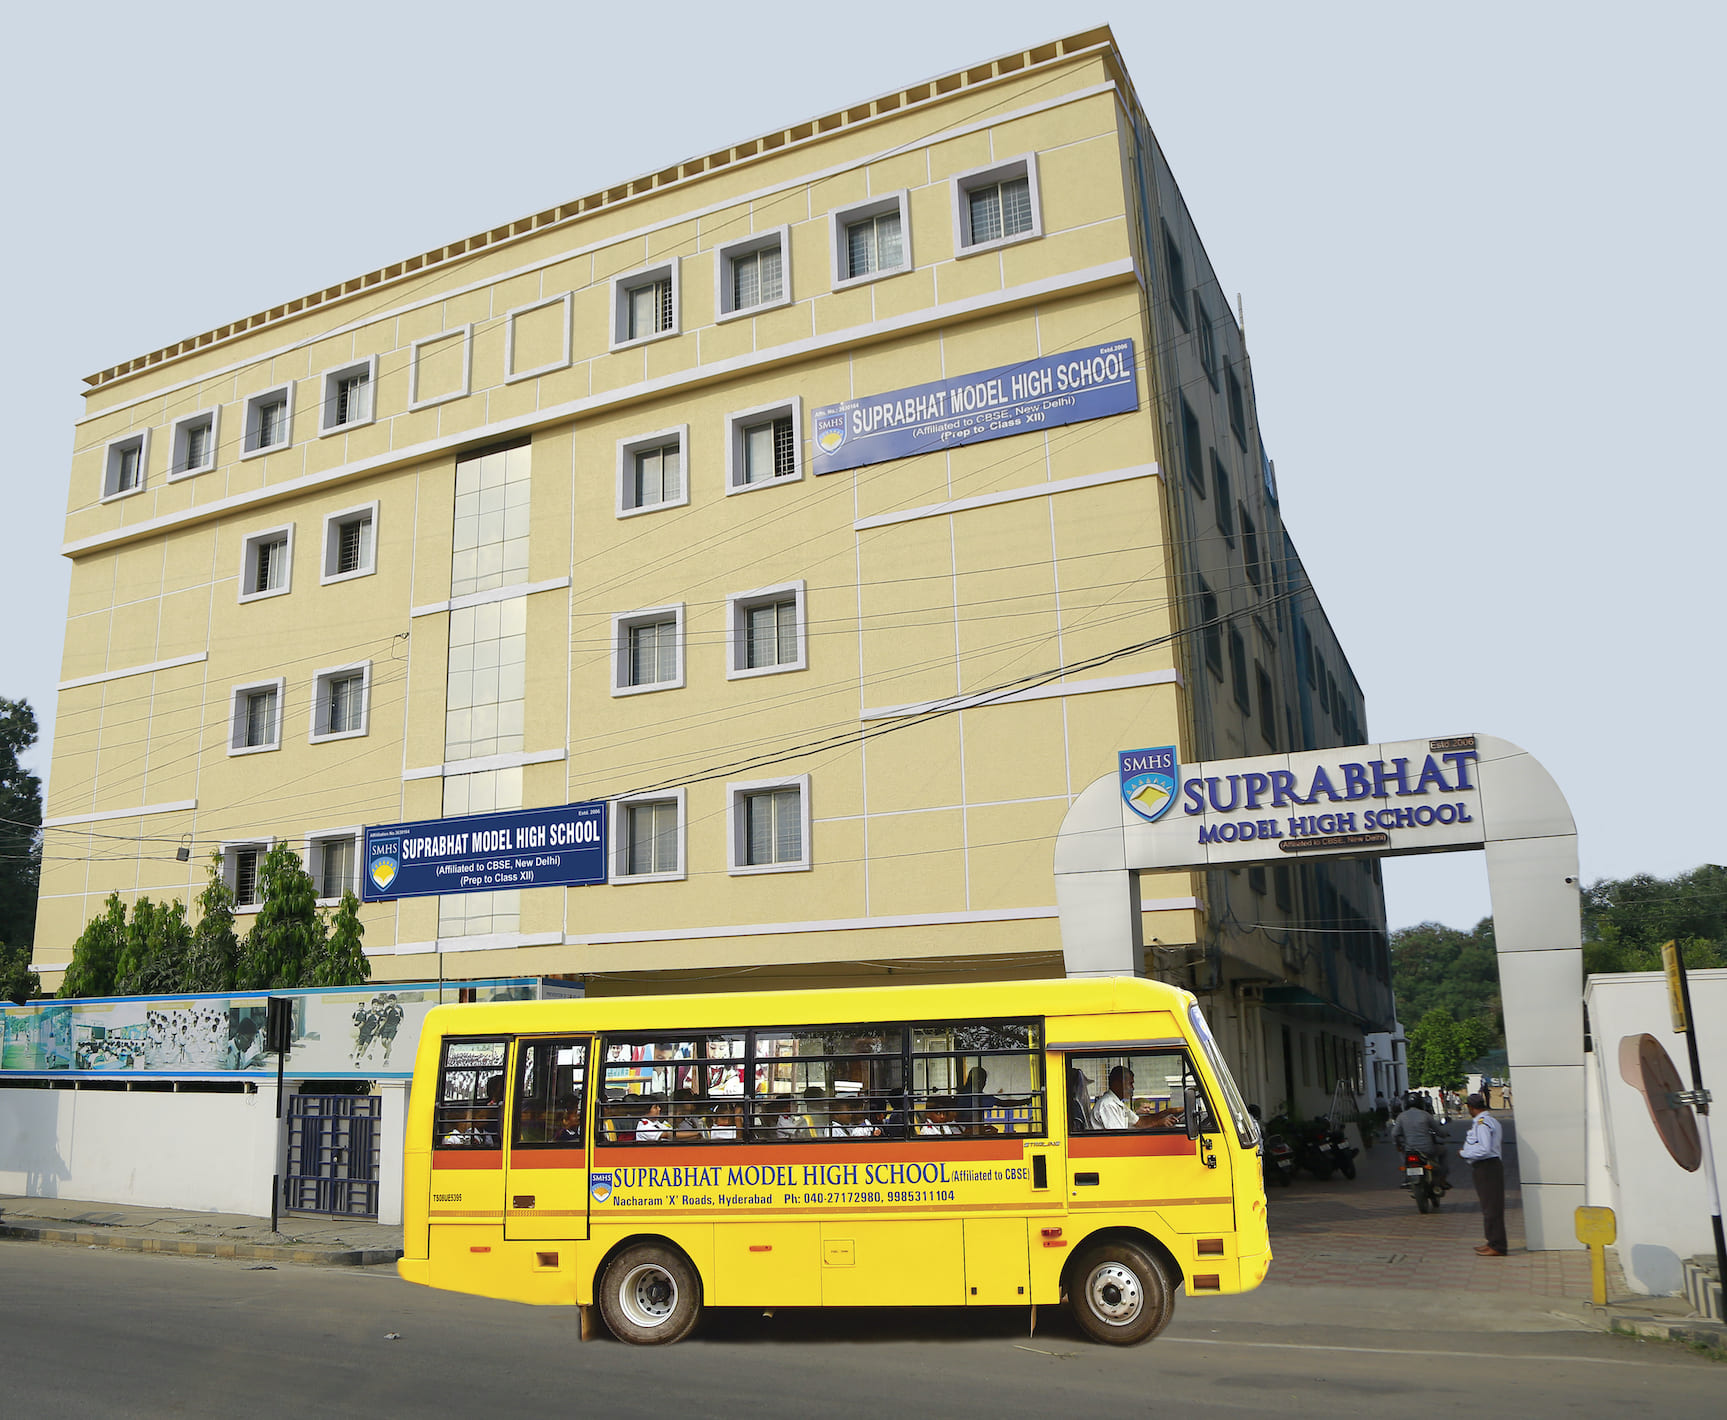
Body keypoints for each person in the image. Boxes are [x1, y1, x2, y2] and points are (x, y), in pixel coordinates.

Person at [1460, 1092, 1507, 1255]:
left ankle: (1497, 1246)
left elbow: (1484, 1148)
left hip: (1487, 1167)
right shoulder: (1491, 1121)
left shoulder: (1482, 1124)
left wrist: (1464, 1153)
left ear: (1471, 1108)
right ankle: (1492, 1241)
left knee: (1491, 1208)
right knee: (1490, 1206)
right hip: (1489, 1167)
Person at [1392, 1093, 1450, 1188]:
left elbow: (1394, 1134)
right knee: (1443, 1151)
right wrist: (1445, 1134)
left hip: (1410, 1150)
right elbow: (1439, 1131)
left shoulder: (1401, 1116)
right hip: (1427, 1149)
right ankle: (1442, 1179)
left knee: (1402, 1153)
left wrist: (1398, 1144)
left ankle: (1407, 1177)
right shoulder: (1426, 1115)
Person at [1092, 1065, 1174, 1130]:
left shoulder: (1117, 1103)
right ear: (1117, 1084)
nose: (1132, 1088)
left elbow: (1139, 1122)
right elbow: (1118, 1137)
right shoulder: (1108, 1105)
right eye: (1130, 1083)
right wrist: (1159, 1123)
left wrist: (1167, 1113)